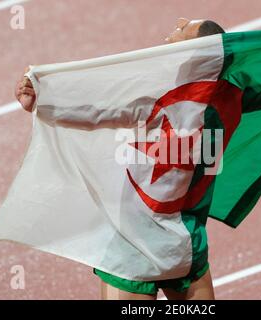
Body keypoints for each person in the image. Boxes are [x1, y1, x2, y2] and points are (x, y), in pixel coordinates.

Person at [14, 18, 226, 300]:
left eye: (183, 30)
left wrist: (44, 98)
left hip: (176, 244)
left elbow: (98, 110)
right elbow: (98, 109)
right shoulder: (206, 96)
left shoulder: (203, 99)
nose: (179, 23)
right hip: (142, 246)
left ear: (192, 55)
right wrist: (43, 99)